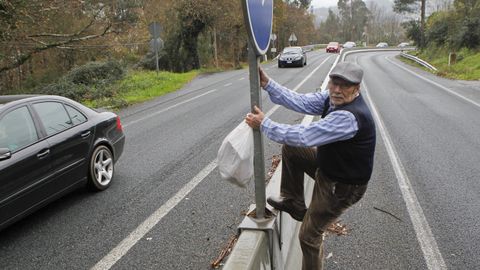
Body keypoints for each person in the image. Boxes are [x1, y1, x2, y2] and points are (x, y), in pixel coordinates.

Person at [245, 62, 376, 270]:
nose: (337, 90)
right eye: (334, 83)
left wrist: (265, 124)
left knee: (309, 236)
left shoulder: (349, 117)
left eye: (345, 86)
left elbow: (305, 135)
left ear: (357, 89)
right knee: (291, 148)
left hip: (342, 186)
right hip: (329, 167)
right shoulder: (331, 98)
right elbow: (300, 101)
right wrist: (268, 84)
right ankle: (293, 201)